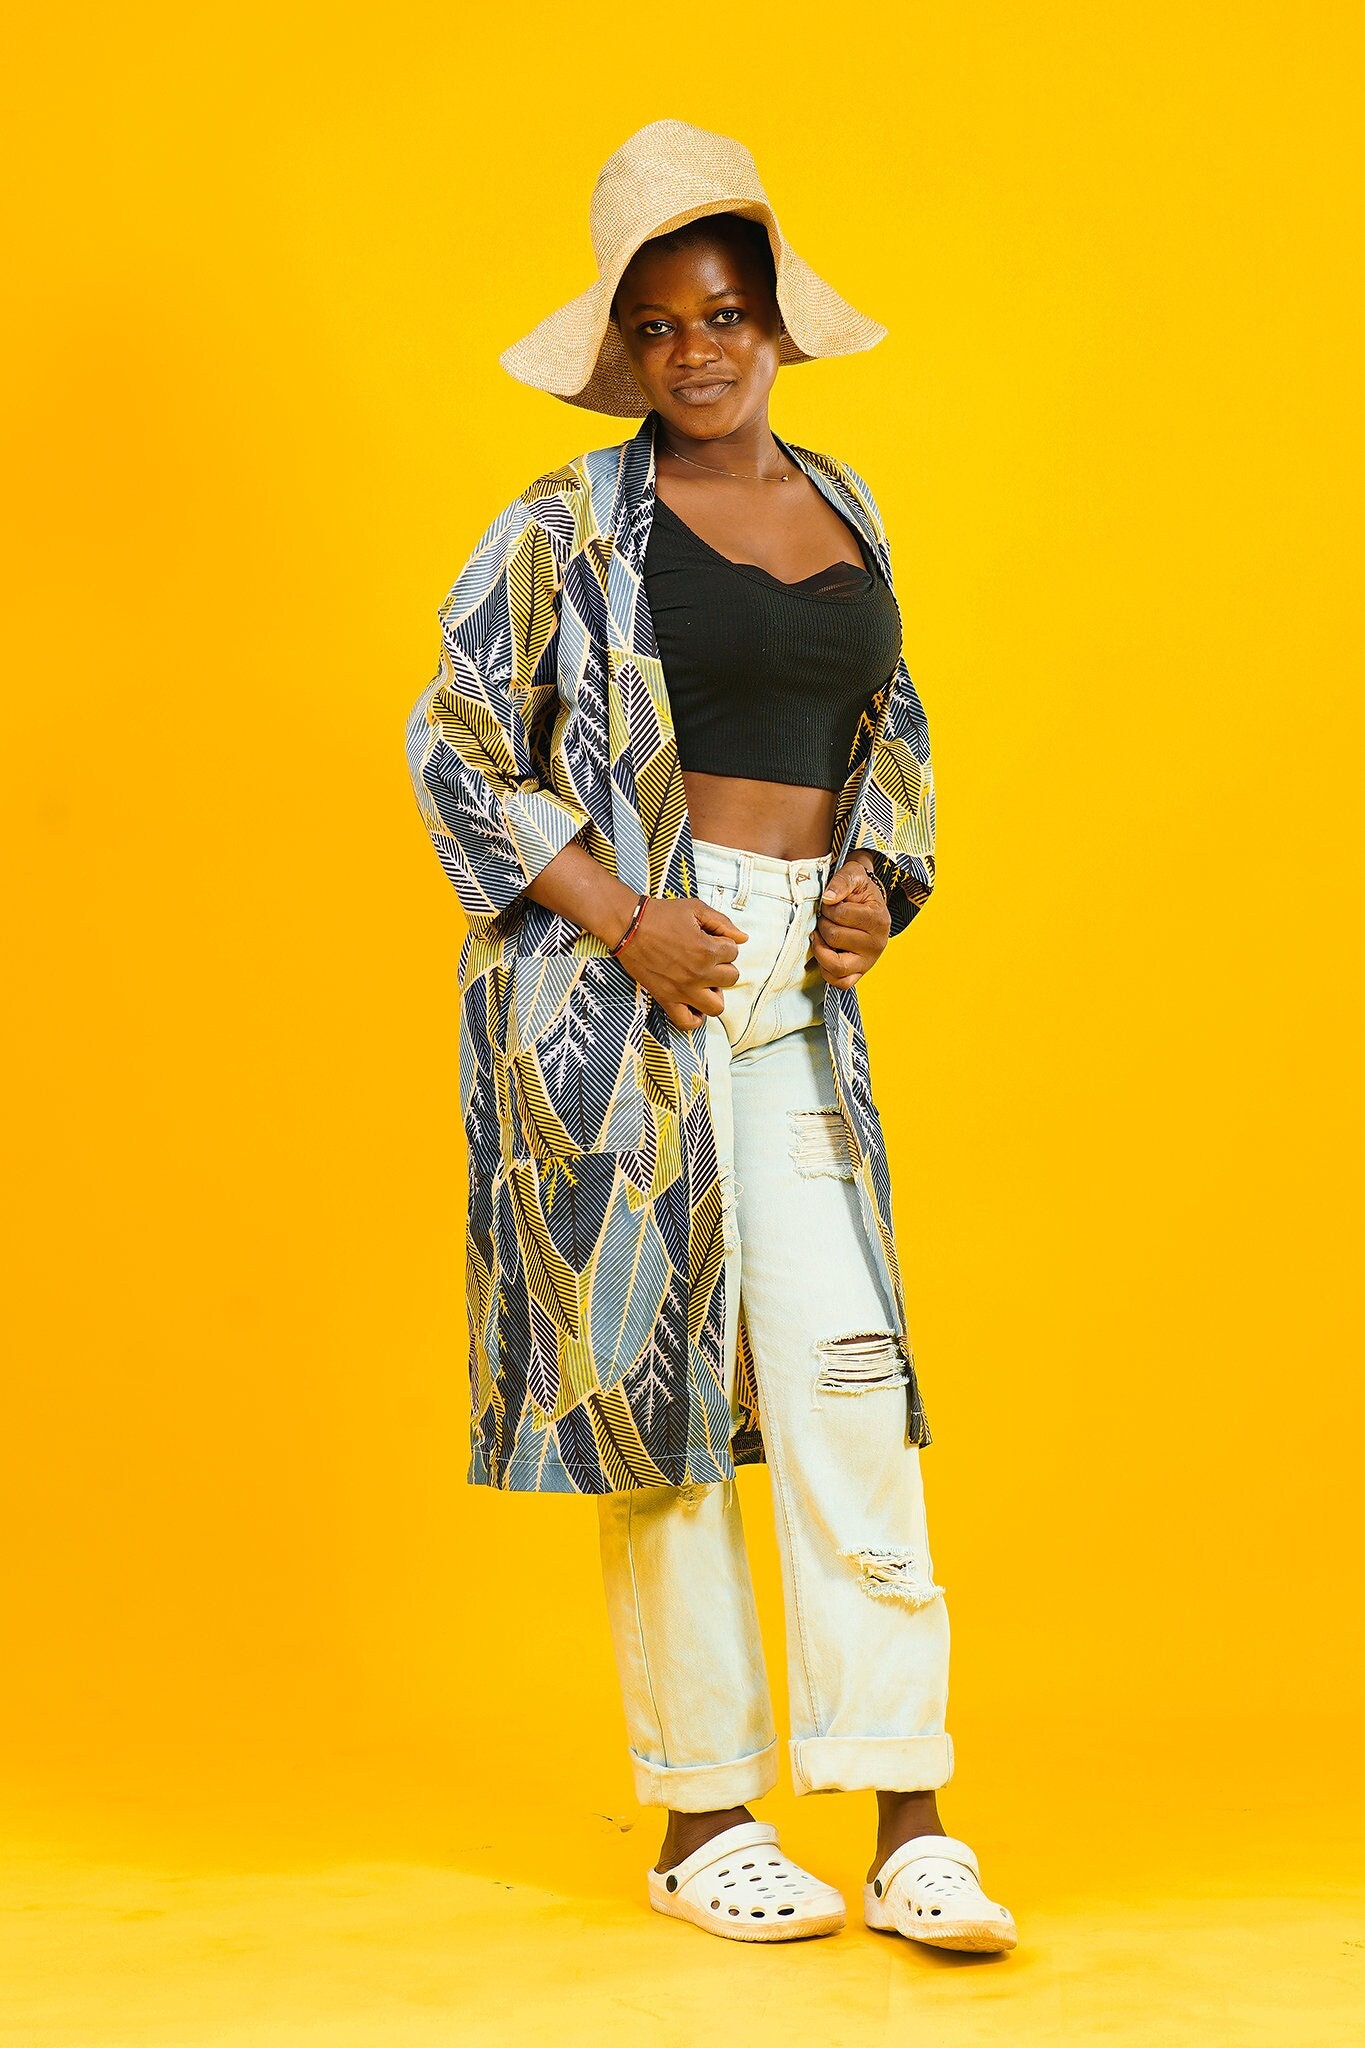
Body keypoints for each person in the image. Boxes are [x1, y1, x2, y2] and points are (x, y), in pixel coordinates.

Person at [405, 119, 1016, 1954]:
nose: (695, 351)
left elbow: (888, 732)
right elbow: (454, 746)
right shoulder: (561, 529)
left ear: (773, 324)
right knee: (664, 1403)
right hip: (623, 996)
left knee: (846, 1380)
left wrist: (876, 883)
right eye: (657, 324)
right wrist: (621, 915)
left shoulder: (849, 507)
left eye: (724, 313)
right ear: (624, 346)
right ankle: (701, 1820)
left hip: (793, 989)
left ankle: (907, 1815)